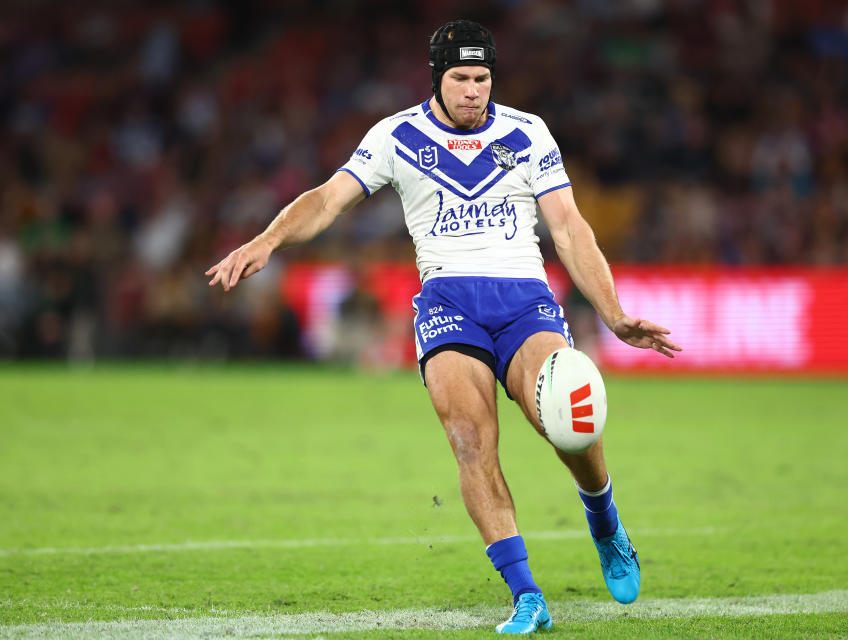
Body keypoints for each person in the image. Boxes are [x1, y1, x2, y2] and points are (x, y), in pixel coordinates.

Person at [206, 19, 682, 635]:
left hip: (524, 302)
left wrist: (613, 314)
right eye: (460, 78)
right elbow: (327, 199)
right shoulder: (397, 136)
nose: (472, 91)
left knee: (570, 421)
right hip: (448, 306)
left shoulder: (527, 133)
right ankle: (527, 595)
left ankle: (605, 522)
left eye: (482, 78)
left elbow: (568, 228)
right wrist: (269, 239)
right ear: (437, 78)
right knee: (470, 439)